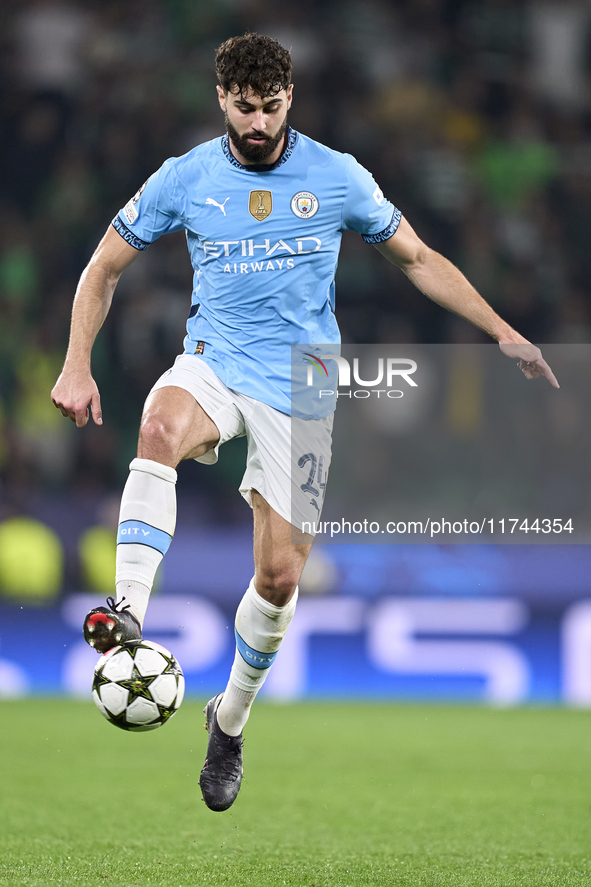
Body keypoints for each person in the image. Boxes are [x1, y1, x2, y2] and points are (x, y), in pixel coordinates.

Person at [51, 33, 558, 813]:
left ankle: (228, 720)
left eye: (272, 107)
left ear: (291, 100)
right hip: (215, 358)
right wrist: (76, 361)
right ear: (222, 99)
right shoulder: (186, 177)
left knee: (280, 576)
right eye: (245, 108)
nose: (258, 123)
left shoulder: (337, 176)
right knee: (157, 426)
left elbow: (417, 257)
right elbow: (103, 265)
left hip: (302, 381)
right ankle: (127, 610)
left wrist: (501, 331)